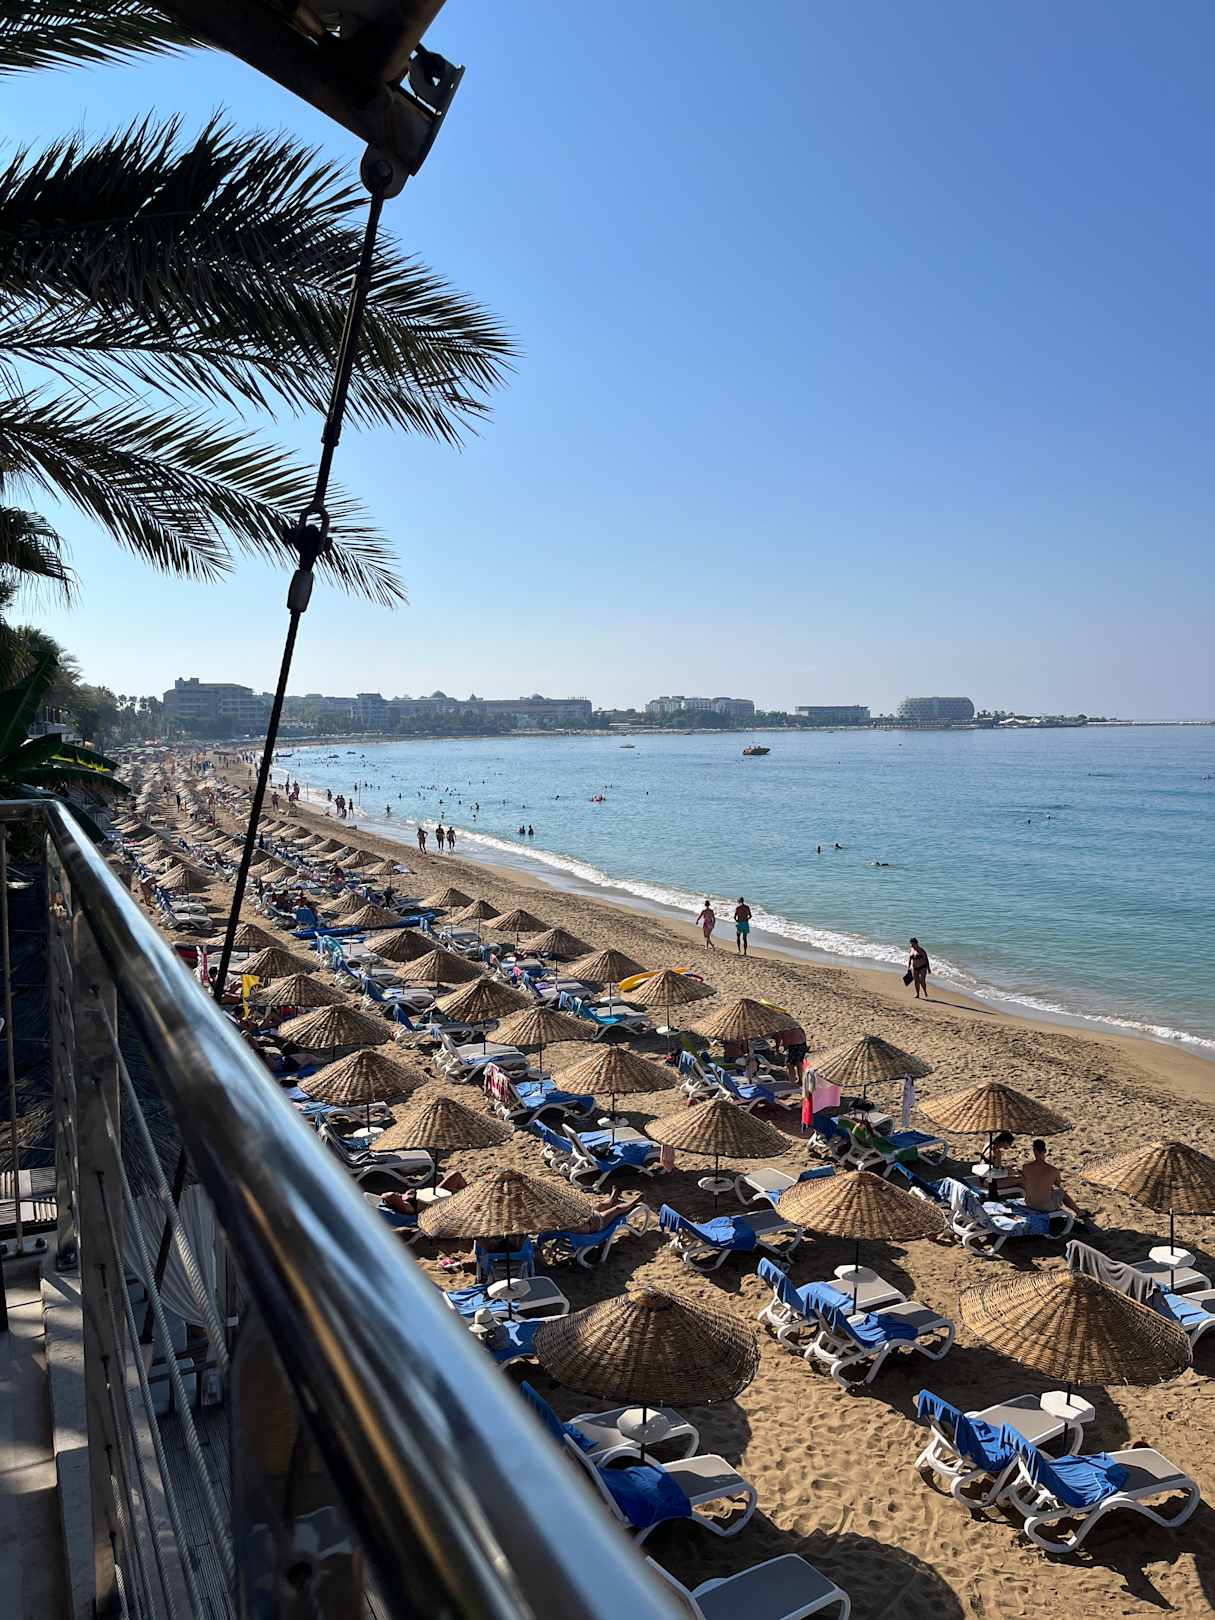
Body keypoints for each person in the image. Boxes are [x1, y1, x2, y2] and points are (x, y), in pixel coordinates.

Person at [1020, 1139, 1080, 1214]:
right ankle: (1078, 1212)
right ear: (1045, 1151)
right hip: (1046, 1207)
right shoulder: (1053, 1170)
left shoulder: (1025, 1167)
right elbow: (1057, 1185)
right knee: (1061, 1193)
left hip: (1029, 1204)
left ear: (1034, 1151)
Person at [781, 1021, 807, 1087]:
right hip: (802, 1044)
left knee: (790, 1065)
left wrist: (784, 1048)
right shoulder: (796, 1024)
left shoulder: (785, 1027)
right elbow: (803, 1033)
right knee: (799, 1062)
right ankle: (800, 1080)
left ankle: (792, 1082)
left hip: (793, 1046)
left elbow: (786, 1040)